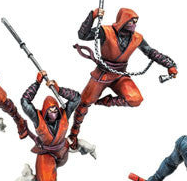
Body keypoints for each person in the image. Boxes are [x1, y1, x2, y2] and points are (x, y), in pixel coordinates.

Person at [69, 8, 177, 148]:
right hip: (102, 73)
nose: (134, 24)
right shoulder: (106, 31)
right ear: (123, 20)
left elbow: (151, 52)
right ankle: (73, 135)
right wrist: (92, 16)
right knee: (83, 104)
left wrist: (169, 65)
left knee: (135, 99)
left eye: (136, 21)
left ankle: (105, 101)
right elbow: (83, 35)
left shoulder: (137, 38)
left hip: (120, 75)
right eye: (131, 21)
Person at [21, 71, 81, 181]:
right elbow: (25, 102)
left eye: (55, 110)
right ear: (45, 111)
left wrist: (59, 90)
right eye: (50, 110)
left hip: (62, 150)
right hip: (46, 152)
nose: (53, 113)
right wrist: (37, 83)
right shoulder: (38, 118)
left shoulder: (64, 114)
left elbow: (77, 98)